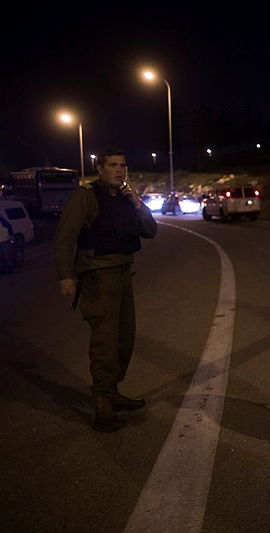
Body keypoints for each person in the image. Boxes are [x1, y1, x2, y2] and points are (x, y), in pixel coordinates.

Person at [55, 148, 157, 431]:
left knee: (125, 336)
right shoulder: (85, 197)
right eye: (113, 165)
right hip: (99, 274)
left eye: (123, 165)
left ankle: (112, 392)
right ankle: (102, 403)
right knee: (105, 340)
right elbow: (65, 237)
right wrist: (66, 275)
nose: (119, 170)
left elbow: (150, 231)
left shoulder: (125, 198)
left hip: (123, 272)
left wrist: (138, 204)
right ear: (100, 168)